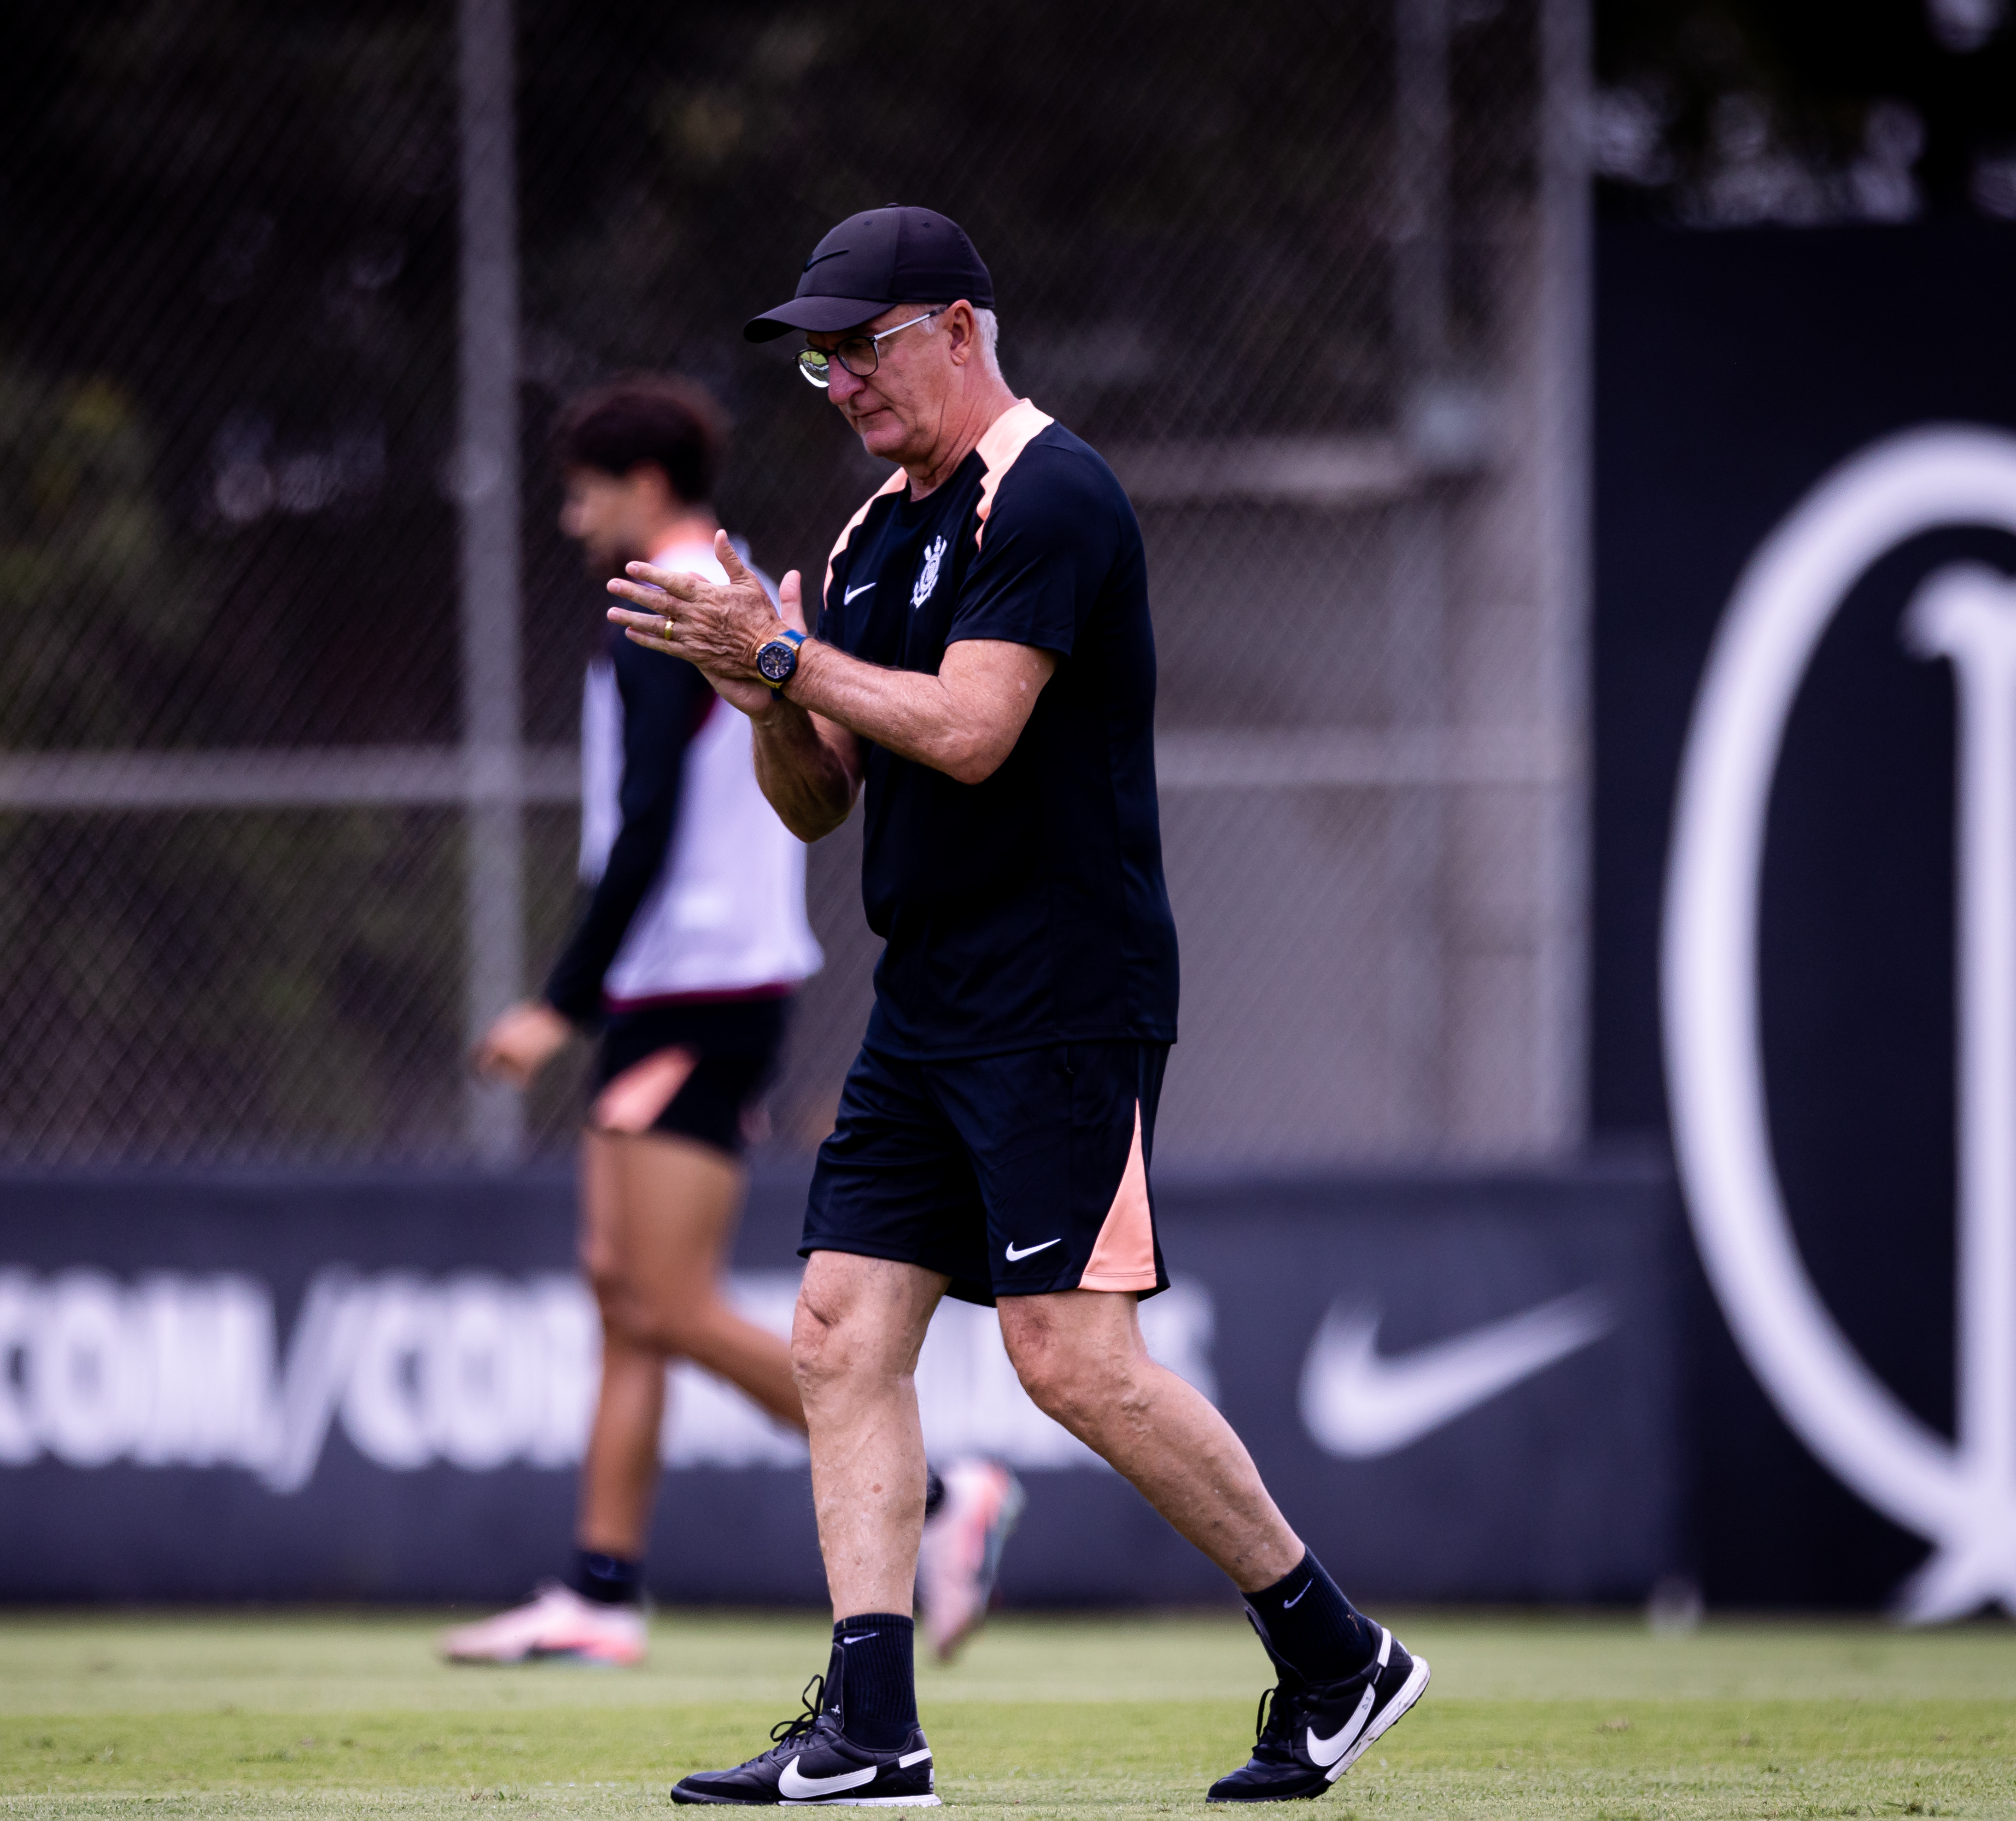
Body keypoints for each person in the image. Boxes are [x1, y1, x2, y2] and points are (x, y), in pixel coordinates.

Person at [602, 210, 1430, 1803]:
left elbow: (973, 731)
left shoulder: (1050, 493)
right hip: (925, 993)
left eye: (864, 345)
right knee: (838, 1333)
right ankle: (870, 1729)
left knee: (1068, 1356)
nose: (842, 380)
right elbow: (819, 799)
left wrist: (784, 655)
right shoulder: (870, 533)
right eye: (822, 360)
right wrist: (762, 692)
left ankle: (1336, 1652)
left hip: (1060, 989)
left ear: (959, 327)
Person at [448, 376, 1026, 1670]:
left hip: (699, 990)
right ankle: (601, 1589)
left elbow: (647, 816)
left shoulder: (681, 593)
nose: (570, 516)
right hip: (673, 986)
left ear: (644, 484)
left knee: (662, 1297)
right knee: (625, 1297)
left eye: (584, 491)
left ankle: (945, 1498)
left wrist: (557, 1003)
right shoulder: (719, 583)